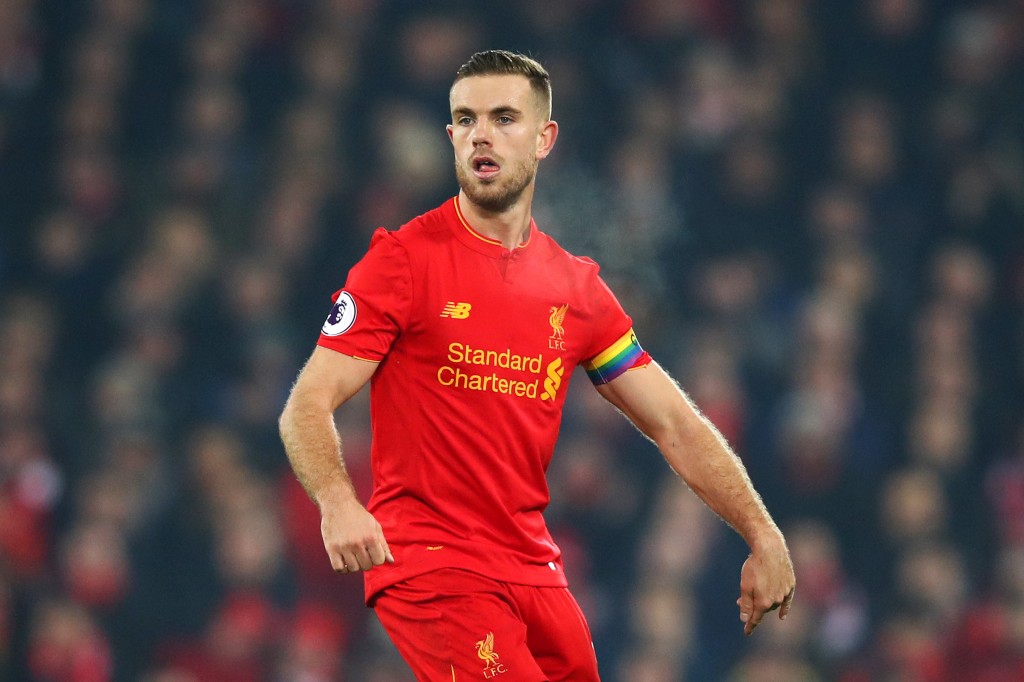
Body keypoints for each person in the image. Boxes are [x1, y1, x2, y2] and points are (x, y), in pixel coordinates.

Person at [279, 49, 795, 681]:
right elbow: (306, 403)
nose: (481, 135)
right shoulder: (402, 261)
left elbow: (675, 424)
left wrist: (762, 533)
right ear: (451, 137)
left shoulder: (576, 290)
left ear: (545, 139)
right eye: (465, 120)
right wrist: (337, 501)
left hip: (532, 568)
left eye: (504, 118)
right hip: (432, 560)